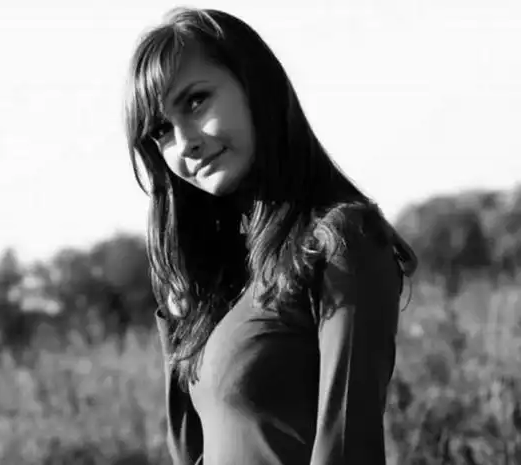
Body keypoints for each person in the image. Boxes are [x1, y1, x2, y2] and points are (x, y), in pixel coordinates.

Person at [123, 7, 417, 465]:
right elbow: (191, 454)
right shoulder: (225, 280)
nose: (185, 143)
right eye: (162, 131)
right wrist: (178, 321)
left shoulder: (340, 240)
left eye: (196, 101)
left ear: (254, 85)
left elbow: (348, 446)